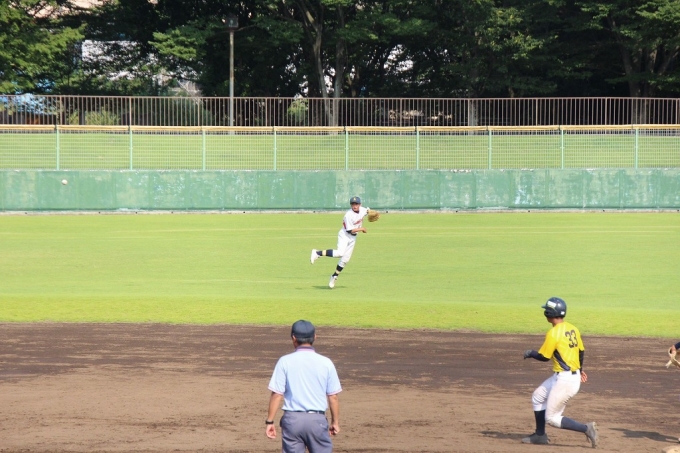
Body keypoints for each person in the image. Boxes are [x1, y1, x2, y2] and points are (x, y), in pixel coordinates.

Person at [522, 297, 599, 448]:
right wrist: (580, 369)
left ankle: (586, 428)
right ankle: (539, 435)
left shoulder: (553, 333)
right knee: (538, 397)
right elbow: (581, 351)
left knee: (552, 418)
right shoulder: (573, 328)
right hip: (564, 377)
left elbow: (544, 357)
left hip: (566, 381)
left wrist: (530, 353)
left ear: (549, 313)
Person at [265, 320, 342, 453]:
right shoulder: (326, 363)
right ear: (315, 337)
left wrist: (270, 422)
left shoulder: (284, 361)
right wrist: (335, 422)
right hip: (317, 421)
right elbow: (333, 397)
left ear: (294, 338)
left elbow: (277, 394)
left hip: (292, 421)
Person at [310, 196, 370, 289]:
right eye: (353, 204)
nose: (354, 206)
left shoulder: (363, 210)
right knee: (340, 253)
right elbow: (350, 230)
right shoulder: (348, 215)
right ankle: (317, 253)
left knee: (345, 260)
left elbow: (369, 211)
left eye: (356, 204)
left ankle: (334, 276)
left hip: (353, 238)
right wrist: (362, 229)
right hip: (345, 235)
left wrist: (373, 213)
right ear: (350, 205)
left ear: (360, 204)